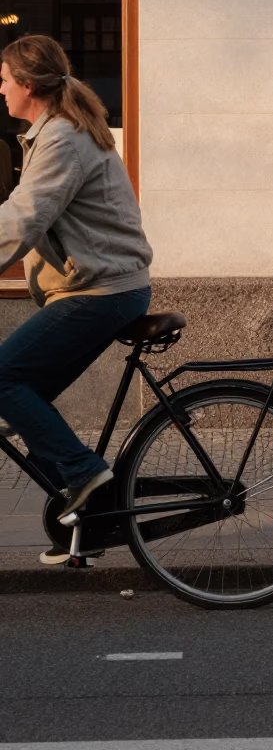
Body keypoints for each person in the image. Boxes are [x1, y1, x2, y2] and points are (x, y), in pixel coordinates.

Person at [0, 35, 152, 563]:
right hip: (100, 288)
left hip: (100, 292)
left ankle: (88, 476)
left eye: (3, 79)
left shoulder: (62, 138)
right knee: (18, 400)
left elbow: (23, 219)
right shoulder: (53, 133)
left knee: (3, 378)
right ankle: (85, 517)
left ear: (26, 85)